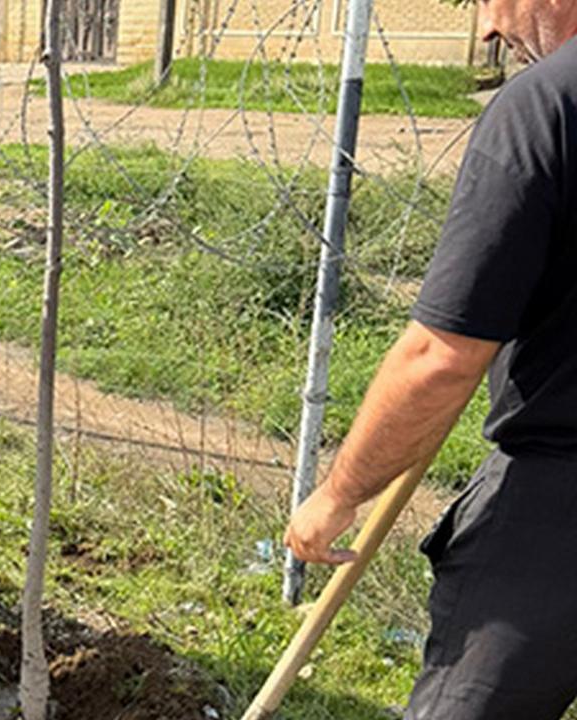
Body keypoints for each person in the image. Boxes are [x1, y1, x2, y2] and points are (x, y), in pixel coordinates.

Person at [285, 3, 577, 718]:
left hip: (558, 508)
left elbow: (440, 359)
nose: (485, 27)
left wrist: (335, 496)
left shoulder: (546, 107)